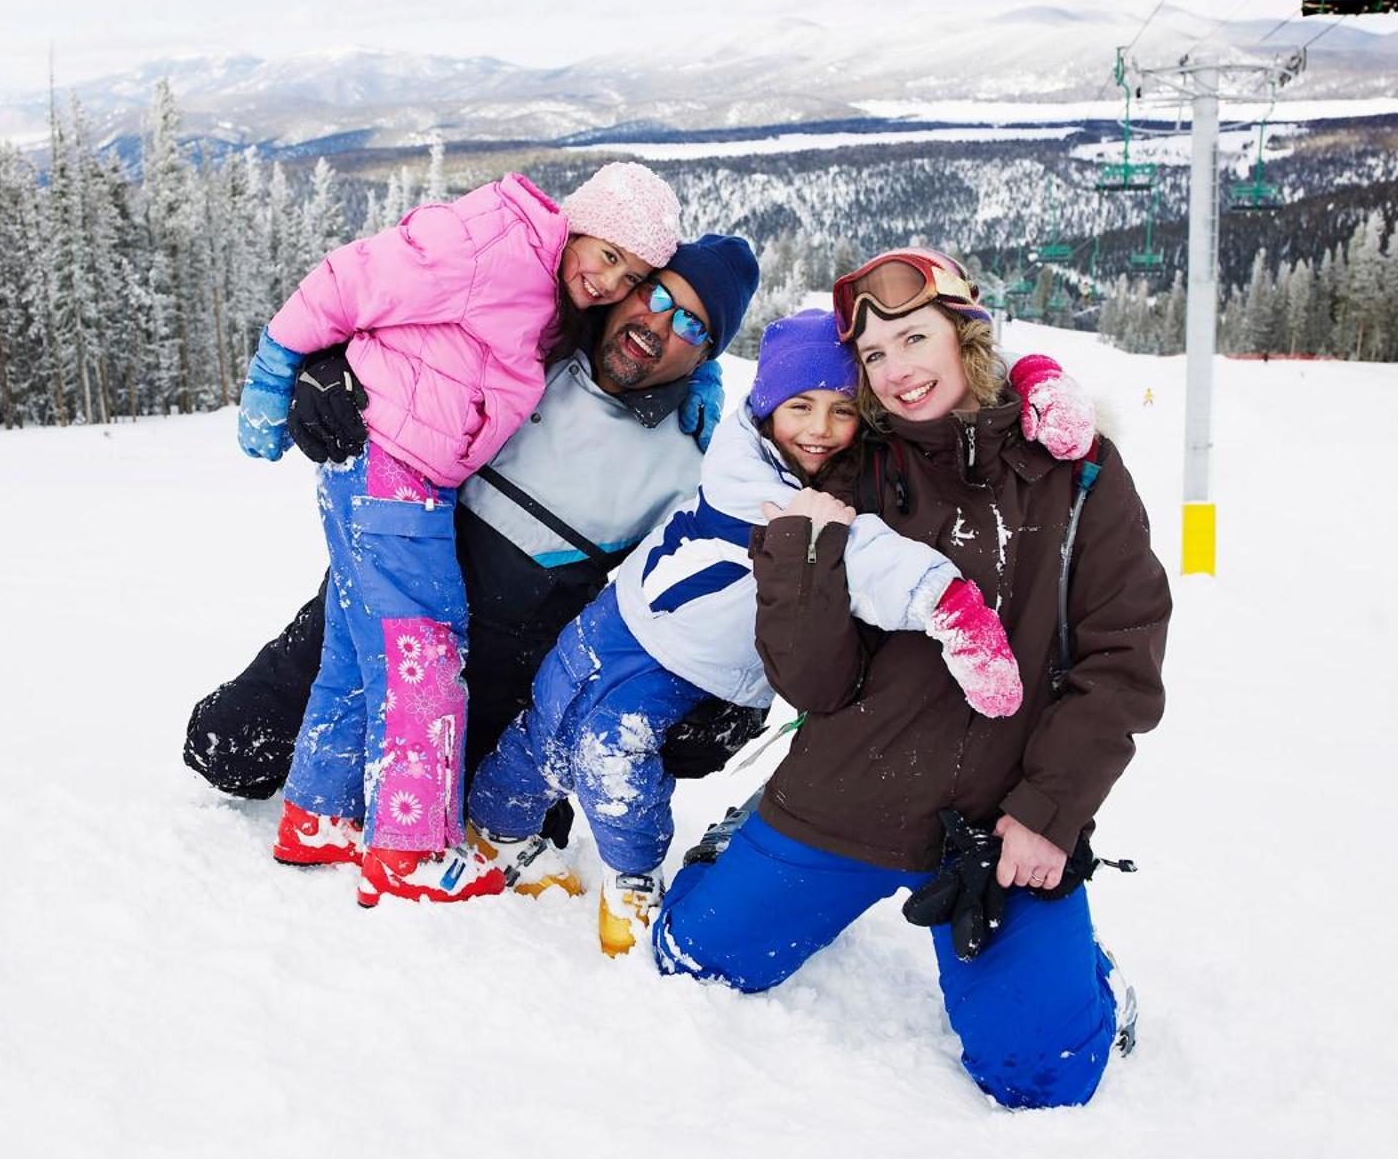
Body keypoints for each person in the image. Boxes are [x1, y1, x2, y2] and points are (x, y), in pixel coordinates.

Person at [652, 246, 1171, 1111]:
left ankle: (1084, 972)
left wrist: (1047, 815)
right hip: (847, 796)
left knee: (1045, 1078)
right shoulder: (851, 470)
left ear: (965, 334)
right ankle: (742, 841)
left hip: (1002, 824)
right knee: (692, 960)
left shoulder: (1077, 473)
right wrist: (800, 552)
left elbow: (1123, 657)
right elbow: (813, 685)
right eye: (875, 355)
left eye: (914, 338)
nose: (896, 371)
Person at [460, 306, 1039, 957]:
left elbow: (873, 556)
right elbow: (857, 547)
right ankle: (498, 826)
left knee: (610, 751)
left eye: (841, 410)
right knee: (547, 720)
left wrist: (952, 608)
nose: (819, 428)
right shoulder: (752, 477)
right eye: (800, 406)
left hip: (686, 661)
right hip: (628, 621)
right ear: (767, 409)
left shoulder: (832, 493)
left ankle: (630, 877)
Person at [183, 251, 766, 838]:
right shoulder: (532, 340)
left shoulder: (688, 463)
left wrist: (721, 698)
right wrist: (334, 367)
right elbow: (406, 328)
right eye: (659, 297)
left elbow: (695, 594)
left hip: (499, 677)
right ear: (630, 290)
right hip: (384, 608)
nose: (660, 325)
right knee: (223, 750)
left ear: (705, 357)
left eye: (693, 325)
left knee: (468, 825)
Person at [234, 161, 689, 907]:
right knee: (425, 653)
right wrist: (280, 362)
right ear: (580, 220)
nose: (609, 281)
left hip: (406, 469)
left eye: (630, 272)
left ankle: (317, 813)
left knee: (357, 645)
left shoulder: (549, 289)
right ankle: (407, 849)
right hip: (389, 460)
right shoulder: (495, 241)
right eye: (607, 254)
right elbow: (355, 276)